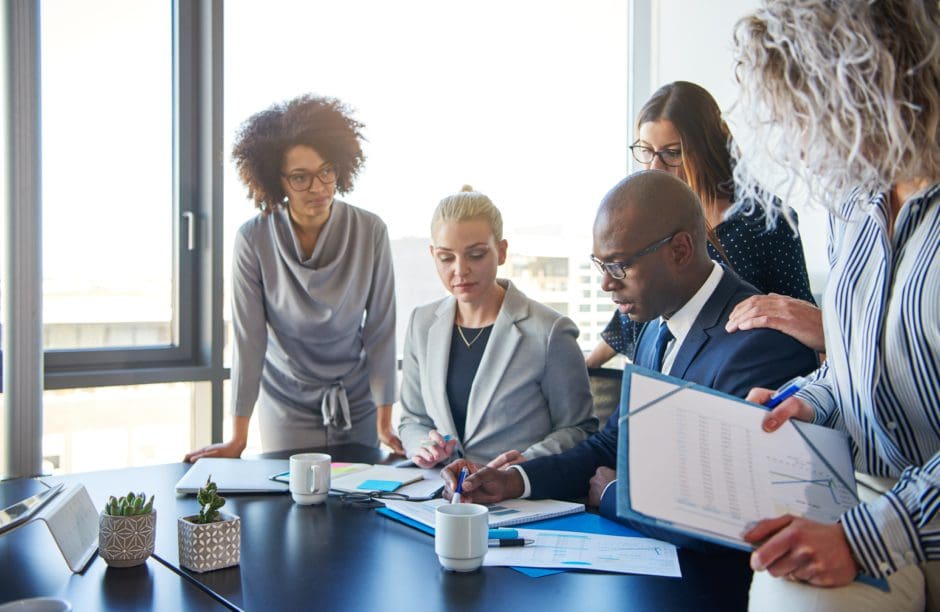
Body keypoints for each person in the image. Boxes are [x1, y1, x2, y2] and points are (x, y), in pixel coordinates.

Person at [441, 171, 818, 548]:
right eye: (600, 264)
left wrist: (616, 495)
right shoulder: (654, 325)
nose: (606, 283)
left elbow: (735, 514)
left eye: (619, 265)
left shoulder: (760, 342)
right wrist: (513, 480)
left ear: (681, 251)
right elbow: (614, 443)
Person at [731, 1, 940, 610]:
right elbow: (861, 361)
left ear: (872, 84)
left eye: (806, 110)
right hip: (866, 488)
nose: (798, 144)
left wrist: (866, 538)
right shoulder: (856, 202)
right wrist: (811, 401)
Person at [185, 94, 402, 461]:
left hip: (358, 402)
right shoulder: (253, 239)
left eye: (326, 170)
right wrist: (237, 439)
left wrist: (385, 423)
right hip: (285, 402)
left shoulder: (371, 230)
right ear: (276, 181)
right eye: (300, 177)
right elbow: (248, 341)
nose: (318, 187)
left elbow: (380, 331)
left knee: (357, 508)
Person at [585, 81, 819, 368]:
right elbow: (629, 314)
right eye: (646, 151)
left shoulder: (766, 221)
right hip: (670, 369)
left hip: (744, 374)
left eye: (672, 153)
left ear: (706, 148)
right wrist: (586, 368)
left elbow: (799, 315)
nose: (656, 167)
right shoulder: (653, 222)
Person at [398, 187, 598, 468]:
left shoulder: (549, 331)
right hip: (440, 498)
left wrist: (516, 468)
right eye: (446, 257)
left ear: (501, 252)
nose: (460, 269)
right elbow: (412, 420)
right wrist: (426, 447)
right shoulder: (422, 323)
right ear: (433, 255)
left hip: (518, 500)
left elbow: (579, 430)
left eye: (476, 255)